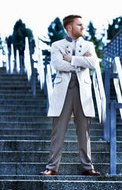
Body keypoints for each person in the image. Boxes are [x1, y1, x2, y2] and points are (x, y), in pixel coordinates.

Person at [40, 15, 101, 176]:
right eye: (79, 25)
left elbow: (94, 63)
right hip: (63, 92)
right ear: (69, 27)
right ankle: (52, 167)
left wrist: (72, 59)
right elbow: (57, 64)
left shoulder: (88, 44)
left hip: (83, 92)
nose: (83, 27)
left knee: (84, 131)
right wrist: (81, 62)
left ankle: (88, 167)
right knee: (58, 130)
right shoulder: (57, 45)